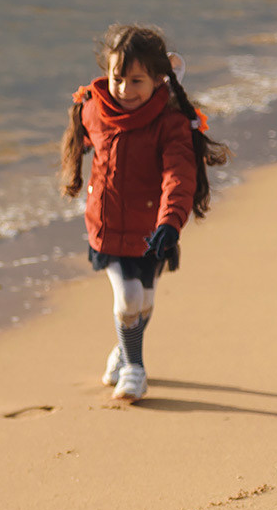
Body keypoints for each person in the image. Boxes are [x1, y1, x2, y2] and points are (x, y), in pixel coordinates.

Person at [60, 24, 231, 401]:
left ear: (158, 79)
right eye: (117, 78)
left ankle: (123, 350)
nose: (124, 89)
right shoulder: (95, 109)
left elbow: (179, 176)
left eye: (136, 80)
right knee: (129, 298)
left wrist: (171, 222)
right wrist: (73, 173)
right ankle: (136, 369)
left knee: (145, 301)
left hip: (152, 230)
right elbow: (81, 135)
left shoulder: (170, 124)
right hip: (105, 227)